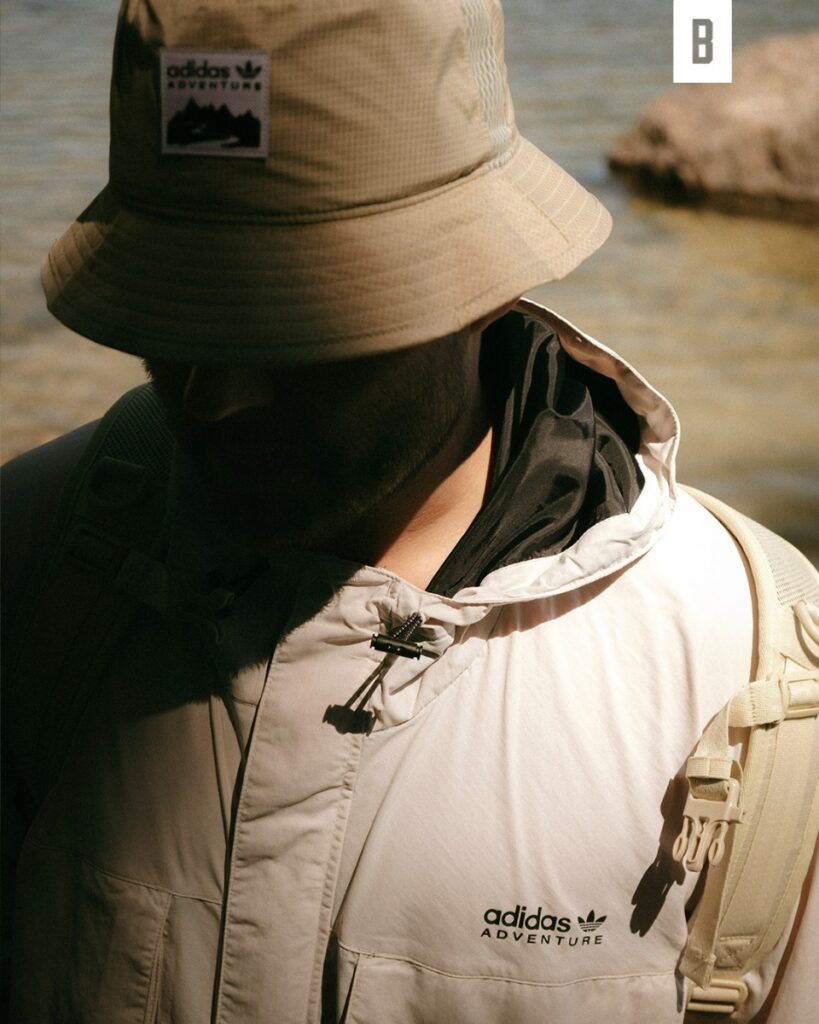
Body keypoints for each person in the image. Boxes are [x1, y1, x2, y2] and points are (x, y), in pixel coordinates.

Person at [2, 1, 816, 1022]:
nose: (214, 396)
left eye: (294, 333)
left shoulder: (752, 685)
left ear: (486, 283)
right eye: (176, 315)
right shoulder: (32, 555)